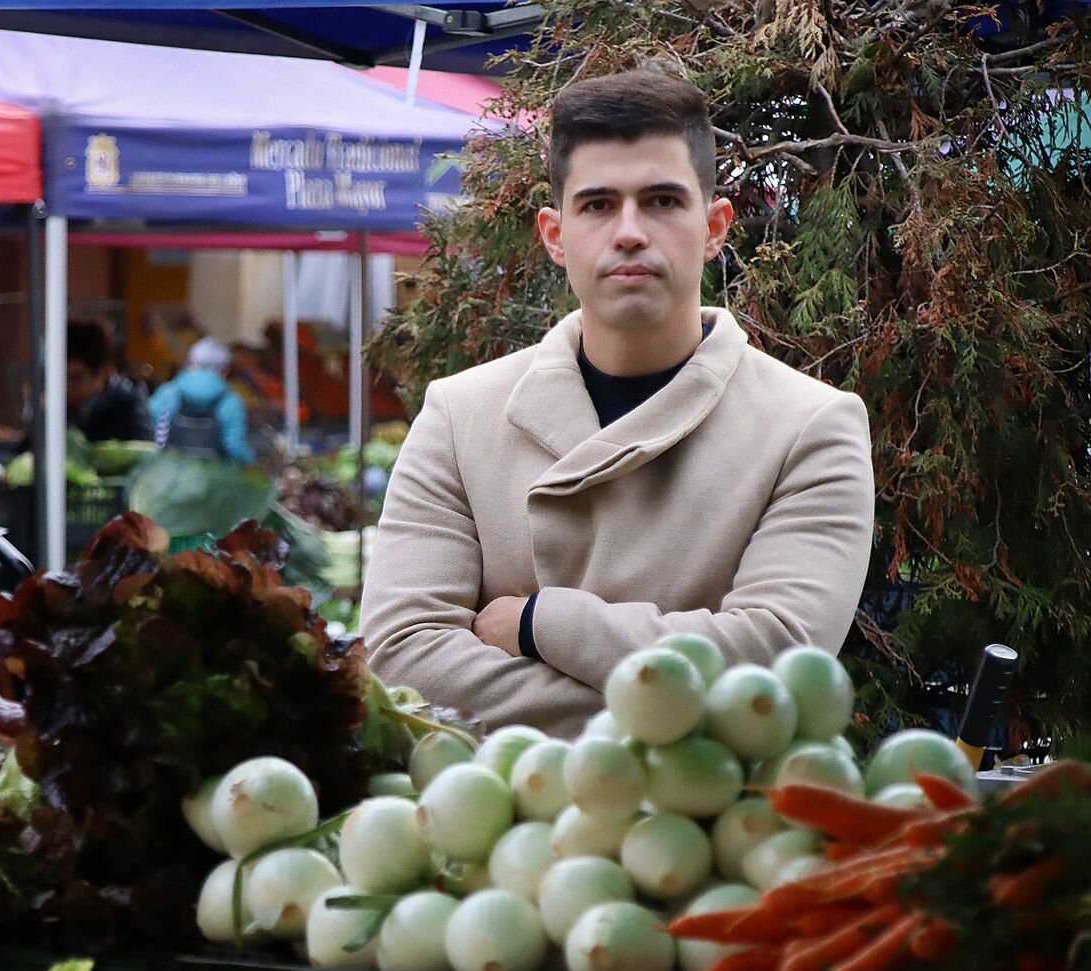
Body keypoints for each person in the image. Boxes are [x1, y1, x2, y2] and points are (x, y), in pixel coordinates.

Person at [359, 69, 875, 736]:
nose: (629, 231)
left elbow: (775, 664)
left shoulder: (809, 427)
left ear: (715, 226)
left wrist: (536, 621)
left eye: (662, 201)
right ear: (554, 235)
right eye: (598, 205)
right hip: (496, 827)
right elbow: (402, 655)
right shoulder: (461, 416)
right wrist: (675, 709)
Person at [149, 337, 256, 465]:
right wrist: (254, 462)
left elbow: (148, 428)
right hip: (214, 480)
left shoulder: (167, 393)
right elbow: (234, 446)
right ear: (225, 371)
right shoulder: (231, 402)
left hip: (170, 475)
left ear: (190, 363)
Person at [66, 320, 153, 443]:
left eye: (76, 378)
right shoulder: (62, 408)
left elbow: (142, 449)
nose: (68, 388)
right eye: (63, 380)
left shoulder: (128, 403)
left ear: (102, 372)